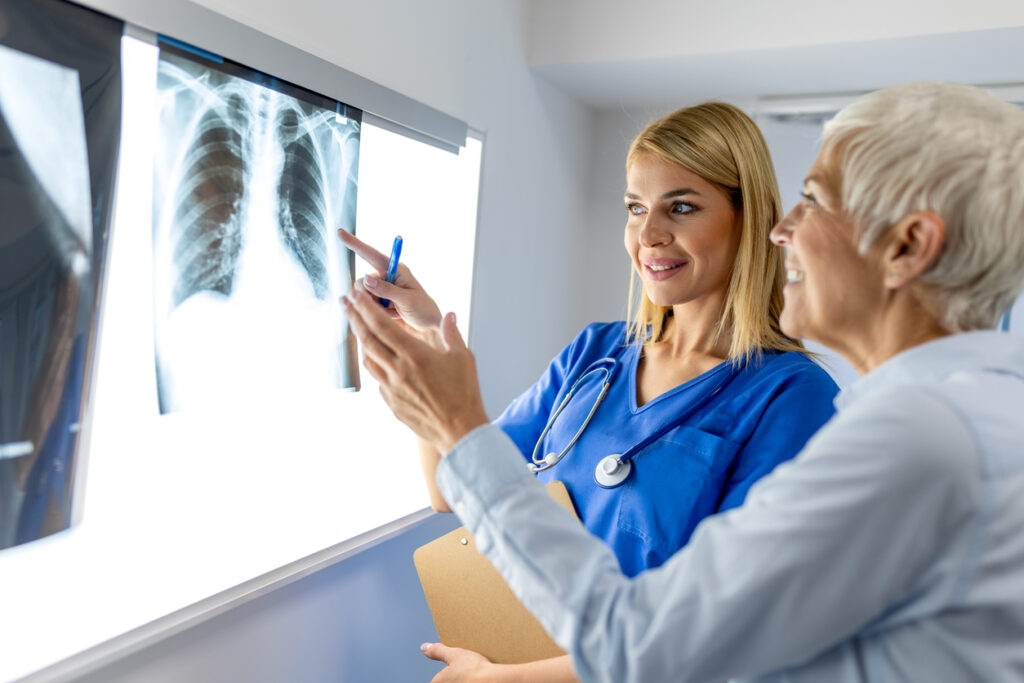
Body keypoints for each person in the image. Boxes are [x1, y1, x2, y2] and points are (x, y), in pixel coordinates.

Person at [344, 79, 1024, 683]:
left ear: (908, 245)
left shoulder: (895, 434)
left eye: (812, 201)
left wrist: (461, 426)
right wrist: (434, 359)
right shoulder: (962, 418)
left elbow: (655, 643)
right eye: (635, 207)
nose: (783, 229)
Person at [341, 102, 838, 680]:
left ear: (746, 216)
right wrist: (427, 337)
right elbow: (451, 490)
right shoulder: (595, 354)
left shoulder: (793, 397)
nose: (648, 235)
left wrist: (498, 680)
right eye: (635, 207)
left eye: (681, 206)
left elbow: (721, 637)